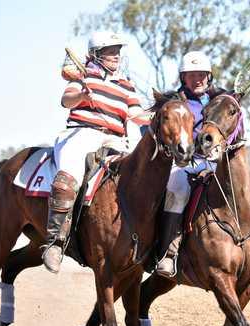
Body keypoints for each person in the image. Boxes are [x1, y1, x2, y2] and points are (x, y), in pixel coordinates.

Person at [42, 31, 149, 273]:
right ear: (96, 54)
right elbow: (66, 100)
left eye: (118, 51)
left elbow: (137, 116)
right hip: (81, 134)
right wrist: (81, 94)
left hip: (115, 140)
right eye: (111, 51)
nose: (116, 56)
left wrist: (161, 114)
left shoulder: (126, 84)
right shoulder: (82, 75)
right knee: (66, 180)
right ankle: (55, 242)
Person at [155, 51, 228, 277]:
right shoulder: (174, 103)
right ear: (183, 78)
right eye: (191, 75)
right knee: (177, 189)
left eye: (201, 74)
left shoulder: (220, 99)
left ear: (209, 76)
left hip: (216, 161)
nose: (197, 79)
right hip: (186, 162)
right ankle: (169, 253)